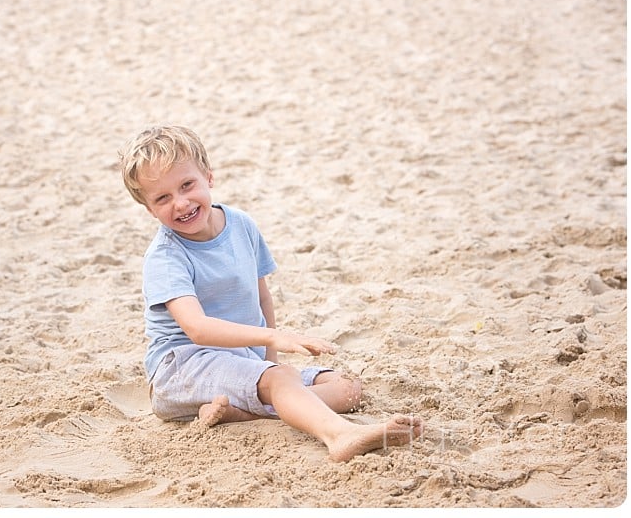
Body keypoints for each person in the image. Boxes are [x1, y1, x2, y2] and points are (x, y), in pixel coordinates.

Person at [118, 125, 424, 462]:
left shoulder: (240, 224)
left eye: (187, 185)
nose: (181, 202)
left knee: (347, 388)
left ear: (208, 177)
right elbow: (198, 329)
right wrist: (274, 340)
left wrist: (268, 360)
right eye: (162, 198)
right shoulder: (166, 256)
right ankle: (340, 435)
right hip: (182, 368)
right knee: (281, 381)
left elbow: (261, 296)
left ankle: (244, 413)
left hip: (241, 360)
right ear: (150, 210)